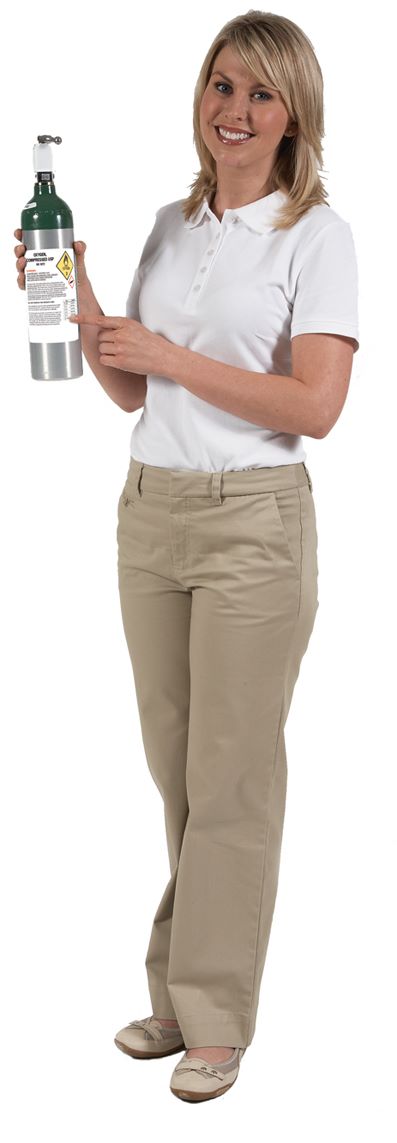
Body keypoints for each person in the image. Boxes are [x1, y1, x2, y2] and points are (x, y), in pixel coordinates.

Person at [14, 9, 359, 1104]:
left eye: (259, 93)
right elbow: (132, 381)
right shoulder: (173, 221)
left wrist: (167, 354)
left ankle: (211, 1017)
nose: (234, 112)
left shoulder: (317, 234)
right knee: (177, 770)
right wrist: (78, 288)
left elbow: (315, 406)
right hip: (151, 511)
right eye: (220, 86)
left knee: (232, 776)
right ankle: (180, 993)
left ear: (294, 110)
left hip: (254, 523)